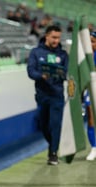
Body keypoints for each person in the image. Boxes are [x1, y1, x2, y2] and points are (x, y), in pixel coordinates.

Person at [27, 25, 68, 165]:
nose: (56, 40)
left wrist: (63, 75)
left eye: (58, 38)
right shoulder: (36, 52)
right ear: (47, 36)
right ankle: (54, 144)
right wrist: (42, 76)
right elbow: (30, 72)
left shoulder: (63, 55)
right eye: (54, 37)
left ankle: (53, 153)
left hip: (57, 95)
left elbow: (68, 74)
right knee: (43, 125)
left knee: (55, 124)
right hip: (42, 95)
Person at [83, 31, 96, 160]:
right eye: (89, 42)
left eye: (93, 42)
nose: (91, 45)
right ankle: (94, 148)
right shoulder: (85, 57)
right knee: (91, 117)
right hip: (90, 89)